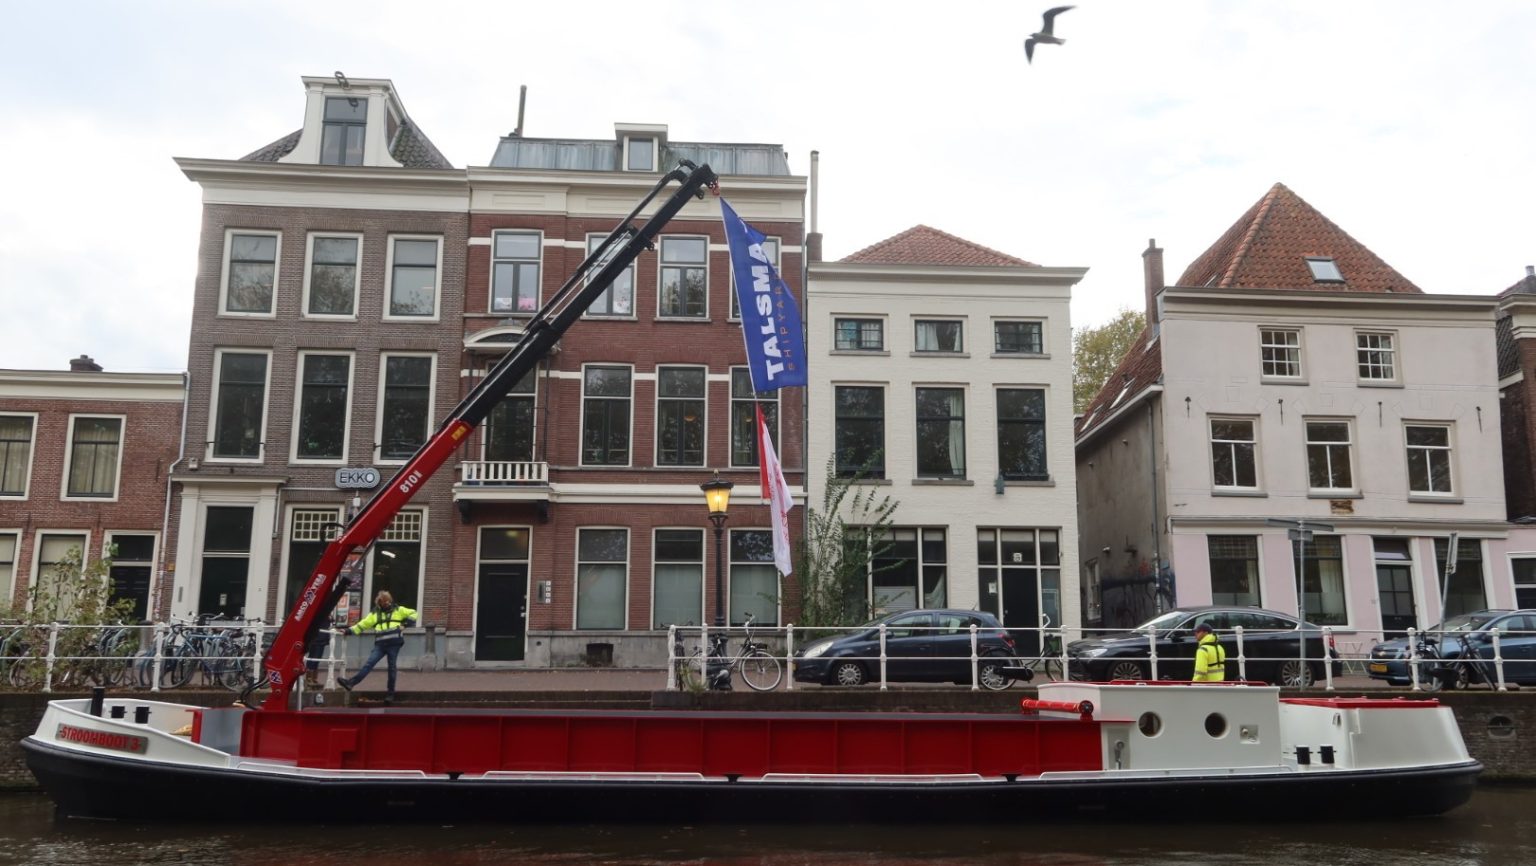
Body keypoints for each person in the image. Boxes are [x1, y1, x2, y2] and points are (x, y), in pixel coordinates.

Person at [336, 591, 417, 703]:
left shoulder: (399, 610)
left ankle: (390, 694)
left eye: (389, 601)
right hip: (381, 645)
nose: (388, 603)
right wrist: (348, 631)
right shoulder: (374, 614)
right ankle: (351, 683)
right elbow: (362, 624)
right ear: (380, 603)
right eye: (385, 602)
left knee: (391, 668)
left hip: (394, 644)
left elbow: (414, 613)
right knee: (369, 664)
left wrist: (405, 625)